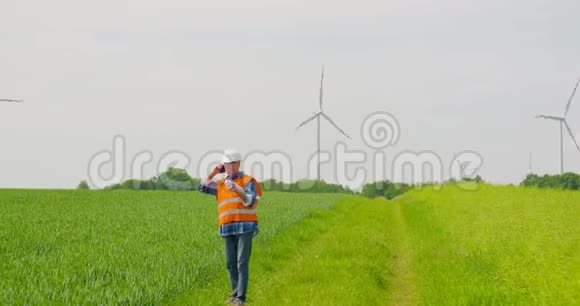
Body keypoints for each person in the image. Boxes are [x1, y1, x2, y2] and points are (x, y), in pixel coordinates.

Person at [199, 148, 263, 306]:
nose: (226, 167)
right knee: (230, 263)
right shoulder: (221, 184)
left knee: (241, 262)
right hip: (227, 228)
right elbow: (203, 186)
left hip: (245, 227)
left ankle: (241, 298)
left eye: (229, 164)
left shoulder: (248, 181)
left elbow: (250, 200)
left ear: (237, 164)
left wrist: (237, 189)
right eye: (224, 164)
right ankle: (234, 295)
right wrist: (214, 172)